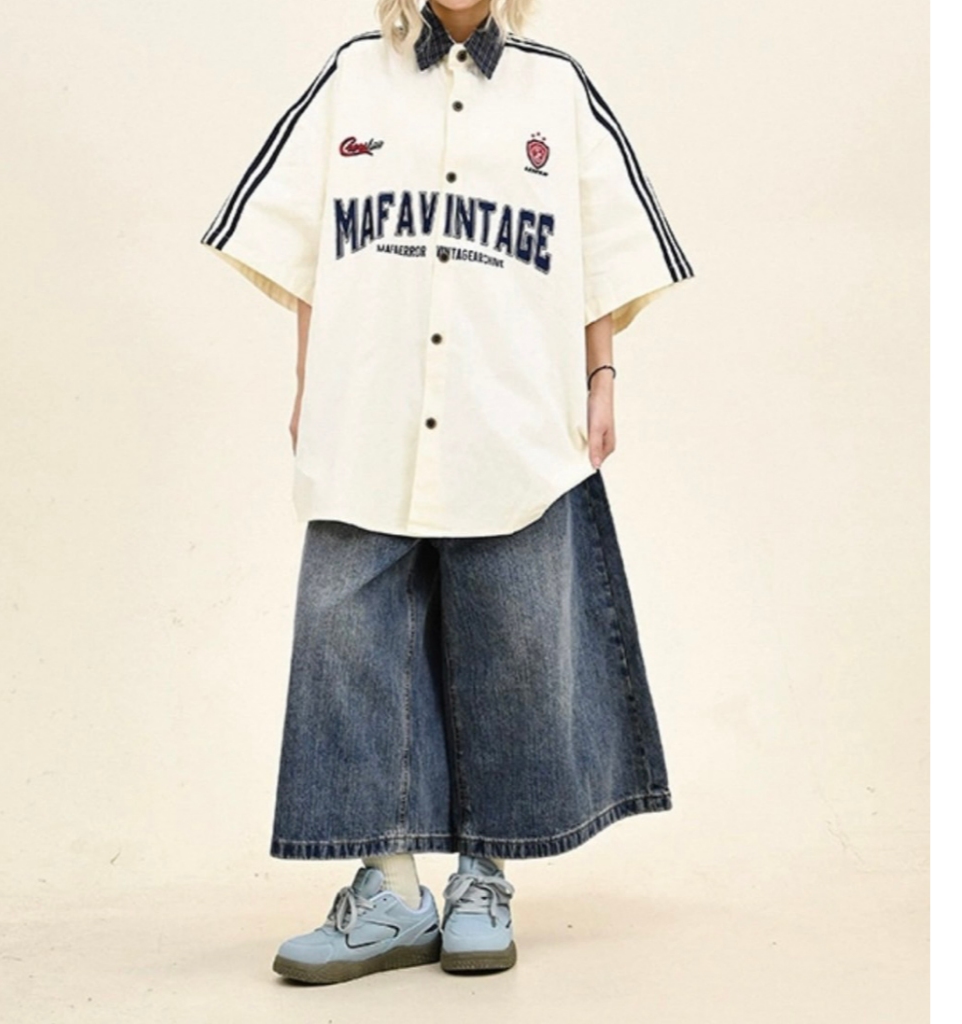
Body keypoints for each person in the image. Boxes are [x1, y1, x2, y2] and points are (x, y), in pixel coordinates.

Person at [199, 0, 694, 986]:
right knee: (347, 640)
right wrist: (308, 383)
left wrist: (601, 377)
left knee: (512, 642)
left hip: (512, 416)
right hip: (368, 410)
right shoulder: (351, 76)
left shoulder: (557, 87)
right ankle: (389, 892)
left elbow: (599, 252)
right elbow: (304, 247)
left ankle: (482, 879)